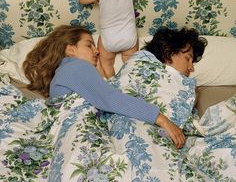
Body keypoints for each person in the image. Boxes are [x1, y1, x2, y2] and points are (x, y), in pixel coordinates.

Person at [23, 25, 187, 149]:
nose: (96, 51)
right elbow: (110, 99)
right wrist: (162, 119)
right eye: (89, 45)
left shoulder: (67, 73)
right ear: (70, 49)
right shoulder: (74, 67)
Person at [75, 0, 140, 78]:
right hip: (129, 37)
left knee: (106, 62)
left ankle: (112, 81)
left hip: (109, 39)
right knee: (132, 62)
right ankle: (131, 80)